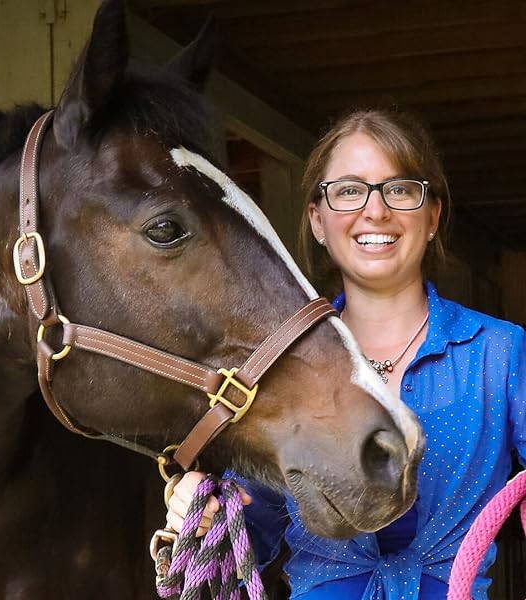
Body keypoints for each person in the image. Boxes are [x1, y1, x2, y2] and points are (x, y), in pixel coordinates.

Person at [165, 108, 526, 599]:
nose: (375, 211)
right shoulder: (280, 366)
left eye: (399, 189)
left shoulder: (500, 352)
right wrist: (202, 514)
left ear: (433, 215)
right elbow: (253, 534)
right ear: (317, 219)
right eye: (349, 191)